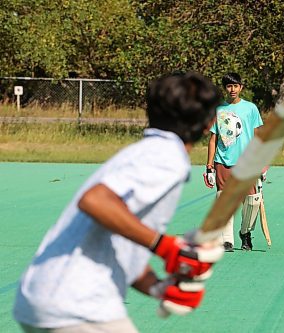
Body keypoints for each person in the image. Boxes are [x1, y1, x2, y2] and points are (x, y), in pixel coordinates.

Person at [13, 72, 225, 332]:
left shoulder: (143, 152)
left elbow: (121, 243)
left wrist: (159, 287)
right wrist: (165, 246)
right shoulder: (167, 156)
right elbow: (94, 201)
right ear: (209, 124)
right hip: (77, 305)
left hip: (43, 299)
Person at [204, 72, 264, 252]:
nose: (232, 89)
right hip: (223, 161)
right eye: (229, 86)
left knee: (253, 200)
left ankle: (245, 232)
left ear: (241, 87)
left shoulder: (251, 109)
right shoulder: (218, 109)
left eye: (235, 86)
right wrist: (209, 167)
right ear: (225, 88)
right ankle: (227, 240)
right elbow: (213, 139)